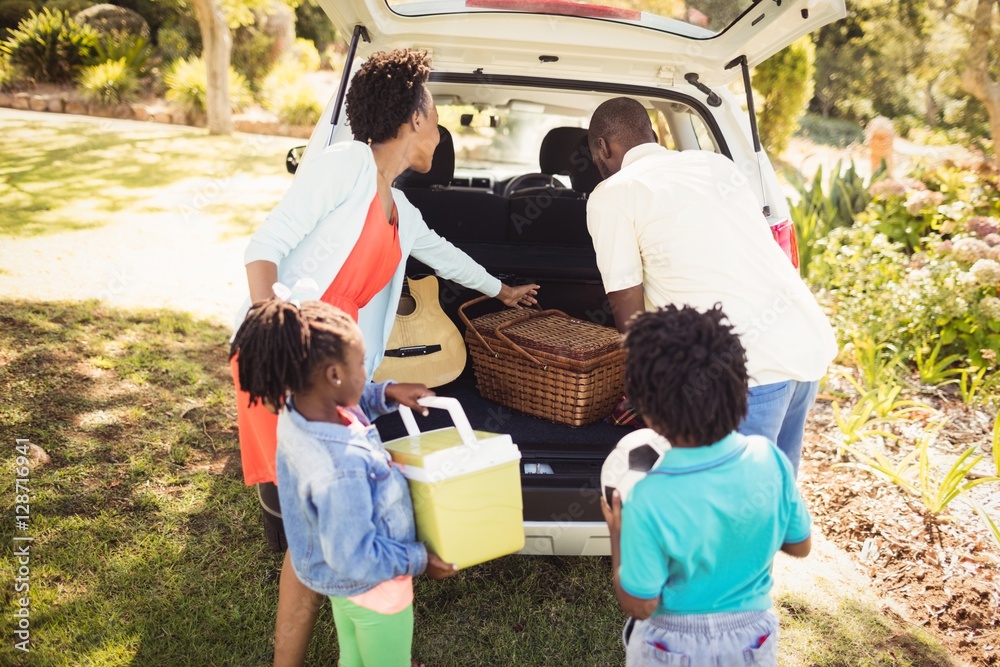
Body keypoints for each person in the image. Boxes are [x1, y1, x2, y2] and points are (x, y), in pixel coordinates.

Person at [230, 49, 539, 666]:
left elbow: (444, 254)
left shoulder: (399, 205)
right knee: (309, 530)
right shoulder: (343, 166)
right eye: (435, 111)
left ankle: (361, 640)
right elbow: (264, 245)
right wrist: (277, 332)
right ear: (413, 116)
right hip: (290, 362)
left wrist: (502, 292)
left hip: (336, 373)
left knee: (324, 523)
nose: (439, 126)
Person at [585, 96, 836, 476]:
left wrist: (642, 395)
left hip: (741, 377)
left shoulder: (614, 194)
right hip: (802, 348)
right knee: (773, 504)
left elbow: (628, 309)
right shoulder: (714, 164)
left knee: (734, 516)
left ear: (602, 147)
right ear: (652, 134)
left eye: (595, 157)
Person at [231, 298, 459, 667]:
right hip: (377, 590)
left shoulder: (300, 410)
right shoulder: (343, 468)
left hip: (343, 588)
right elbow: (355, 556)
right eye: (362, 364)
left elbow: (349, 402)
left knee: (353, 655)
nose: (365, 371)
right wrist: (421, 560)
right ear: (334, 375)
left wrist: (384, 393)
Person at [601, 304, 812, 667]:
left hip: (672, 644)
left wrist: (618, 535)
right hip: (753, 638)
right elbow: (800, 545)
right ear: (738, 388)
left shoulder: (648, 498)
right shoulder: (769, 459)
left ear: (647, 410)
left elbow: (639, 603)